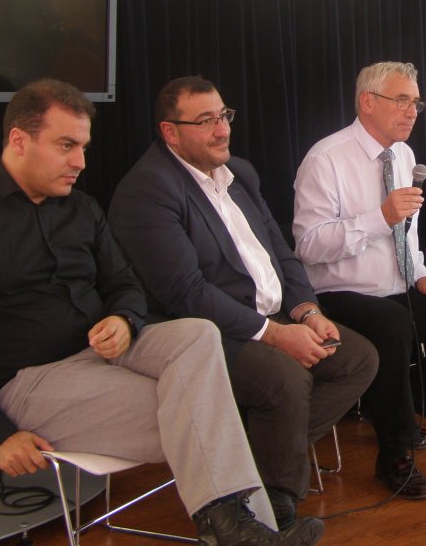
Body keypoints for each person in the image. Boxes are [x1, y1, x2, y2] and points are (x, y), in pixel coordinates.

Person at [0, 79, 322, 546]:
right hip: (26, 379)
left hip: (102, 352)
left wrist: (124, 319)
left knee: (198, 334)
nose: (80, 163)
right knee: (201, 411)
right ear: (19, 140)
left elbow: (126, 284)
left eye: (84, 147)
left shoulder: (81, 208)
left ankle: (240, 530)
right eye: (66, 146)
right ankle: (254, 531)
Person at [108, 76, 378, 529]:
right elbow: (185, 293)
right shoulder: (149, 189)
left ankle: (247, 468)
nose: (221, 130)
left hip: (270, 316)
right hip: (201, 332)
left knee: (358, 359)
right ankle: (276, 503)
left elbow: (282, 254)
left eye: (224, 116)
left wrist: (308, 312)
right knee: (284, 378)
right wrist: (274, 335)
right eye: (205, 121)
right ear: (169, 131)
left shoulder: (241, 175)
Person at [292, 61, 426, 500]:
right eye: (401, 100)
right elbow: (308, 246)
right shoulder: (325, 159)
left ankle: (402, 405)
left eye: (416, 102)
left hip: (400, 288)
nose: (412, 111)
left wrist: (422, 276)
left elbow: (407, 235)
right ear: (367, 103)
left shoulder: (404, 156)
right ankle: (396, 455)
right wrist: (378, 217)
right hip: (339, 293)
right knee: (392, 327)